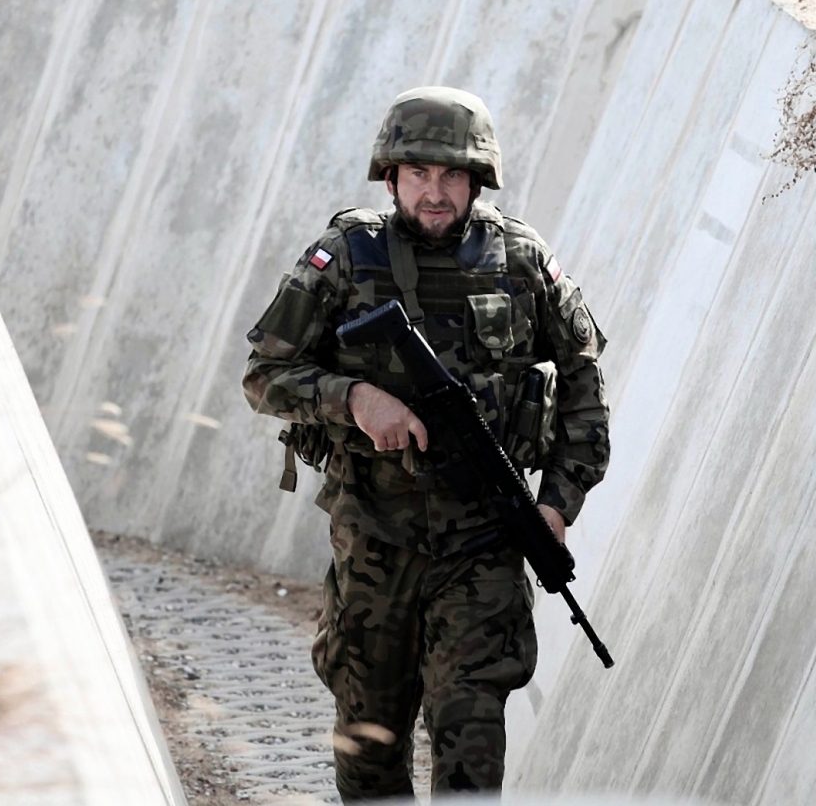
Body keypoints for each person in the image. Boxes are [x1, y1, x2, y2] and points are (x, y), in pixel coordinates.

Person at [242, 86, 610, 799]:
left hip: (484, 542)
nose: (435, 192)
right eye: (418, 173)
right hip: (375, 537)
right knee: (368, 744)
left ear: (478, 181)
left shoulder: (521, 260)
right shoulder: (343, 257)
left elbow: (584, 388)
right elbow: (263, 374)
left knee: (471, 732)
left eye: (451, 175)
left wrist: (556, 505)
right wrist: (354, 398)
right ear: (390, 177)